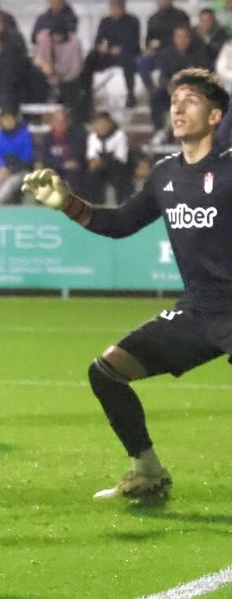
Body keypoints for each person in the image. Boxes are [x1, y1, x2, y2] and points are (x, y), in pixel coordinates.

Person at [21, 68, 232, 501]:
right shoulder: (164, 175)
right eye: (175, 100)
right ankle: (147, 471)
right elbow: (120, 224)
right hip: (195, 311)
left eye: (190, 100)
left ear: (215, 117)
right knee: (107, 372)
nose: (178, 107)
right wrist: (67, 204)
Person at [79, 0, 142, 110]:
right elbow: (98, 41)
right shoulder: (105, 21)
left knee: (128, 60)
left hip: (126, 53)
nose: (115, 9)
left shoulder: (132, 21)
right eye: (113, 6)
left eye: (118, 6)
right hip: (108, 54)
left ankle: (130, 95)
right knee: (91, 57)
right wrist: (101, 48)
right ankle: (85, 93)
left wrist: (120, 49)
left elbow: (134, 42)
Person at [151, 25, 214, 132]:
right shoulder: (167, 54)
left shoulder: (199, 53)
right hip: (173, 91)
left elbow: (204, 74)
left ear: (189, 38)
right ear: (174, 38)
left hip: (193, 91)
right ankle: (160, 130)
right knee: (157, 96)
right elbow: (163, 76)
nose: (182, 40)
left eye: (185, 37)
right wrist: (169, 85)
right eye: (179, 37)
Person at [140, 0, 192, 95]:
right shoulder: (153, 18)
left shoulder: (180, 15)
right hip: (157, 53)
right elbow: (148, 40)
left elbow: (185, 37)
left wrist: (164, 43)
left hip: (174, 52)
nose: (162, 0)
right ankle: (151, 91)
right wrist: (149, 48)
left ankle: (167, 90)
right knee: (141, 61)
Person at [35, 105, 88, 193]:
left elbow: (79, 155)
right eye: (57, 121)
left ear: (67, 122)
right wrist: (62, 164)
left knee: (76, 175)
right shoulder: (46, 137)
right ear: (52, 122)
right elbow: (44, 157)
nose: (60, 124)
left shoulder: (76, 136)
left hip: (72, 171)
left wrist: (72, 163)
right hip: (54, 168)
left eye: (63, 121)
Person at [0, 107, 34, 205]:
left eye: (10, 119)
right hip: (3, 168)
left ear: (14, 120)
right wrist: (1, 167)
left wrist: (12, 170)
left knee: (9, 184)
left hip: (19, 169)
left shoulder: (24, 134)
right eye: (5, 119)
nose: (8, 122)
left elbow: (27, 157)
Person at [87, 111, 132, 203]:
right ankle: (96, 206)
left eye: (104, 123)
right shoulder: (92, 137)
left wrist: (103, 163)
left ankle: (121, 204)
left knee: (120, 176)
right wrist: (93, 162)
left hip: (117, 168)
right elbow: (91, 155)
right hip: (100, 169)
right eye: (98, 123)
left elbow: (121, 157)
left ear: (110, 123)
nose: (101, 126)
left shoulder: (119, 135)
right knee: (91, 176)